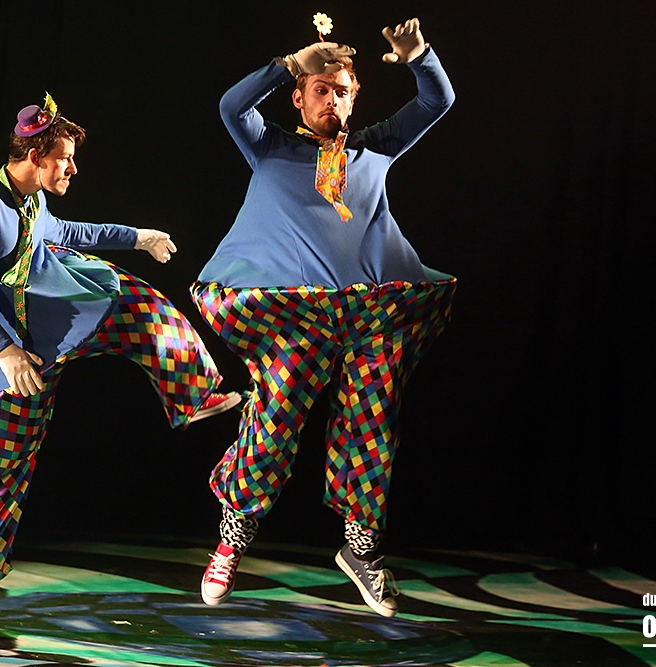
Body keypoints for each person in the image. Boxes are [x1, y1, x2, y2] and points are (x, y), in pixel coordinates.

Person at [0, 94, 240, 639]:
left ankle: (192, 393)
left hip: (18, 365)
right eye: (64, 159)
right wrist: (3, 350)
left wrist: (137, 237)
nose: (73, 169)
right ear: (35, 156)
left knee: (130, 300)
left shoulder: (31, 202)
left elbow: (68, 233)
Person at [192, 19, 457, 617]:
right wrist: (292, 61)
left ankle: (361, 549)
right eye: (320, 89)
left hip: (370, 312)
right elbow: (231, 107)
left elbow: (437, 100)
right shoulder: (270, 147)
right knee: (274, 422)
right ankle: (232, 537)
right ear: (300, 98)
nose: (331, 99)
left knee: (373, 426)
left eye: (341, 91)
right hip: (296, 316)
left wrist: (418, 55)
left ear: (354, 98)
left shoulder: (376, 147)